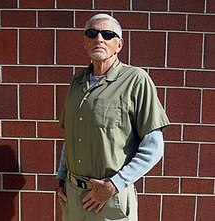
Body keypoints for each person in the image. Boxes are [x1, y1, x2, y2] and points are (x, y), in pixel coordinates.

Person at [56, 13, 170, 221]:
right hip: (73, 197)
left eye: (107, 34)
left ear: (119, 44)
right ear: (84, 42)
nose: (99, 39)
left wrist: (115, 184)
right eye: (92, 33)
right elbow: (71, 137)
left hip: (109, 200)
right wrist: (61, 176)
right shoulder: (77, 81)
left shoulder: (136, 80)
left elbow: (154, 147)